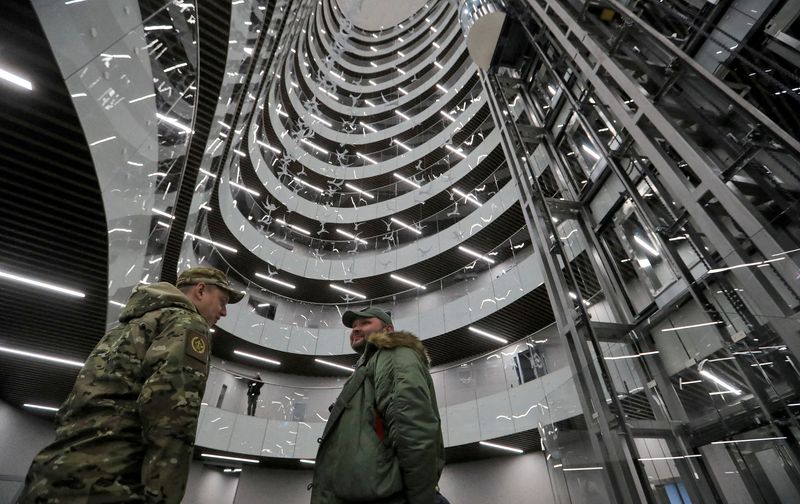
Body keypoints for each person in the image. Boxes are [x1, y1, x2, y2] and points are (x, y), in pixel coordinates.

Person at [18, 266, 243, 504]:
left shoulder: (124, 327)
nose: (224, 312)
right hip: (108, 483)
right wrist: (163, 497)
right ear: (200, 290)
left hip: (51, 474)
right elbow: (172, 413)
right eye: (222, 301)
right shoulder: (188, 323)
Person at [310, 307, 445, 504]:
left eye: (365, 323)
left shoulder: (392, 355)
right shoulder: (368, 366)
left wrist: (420, 499)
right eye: (354, 325)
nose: (355, 329)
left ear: (388, 330)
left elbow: (412, 429)